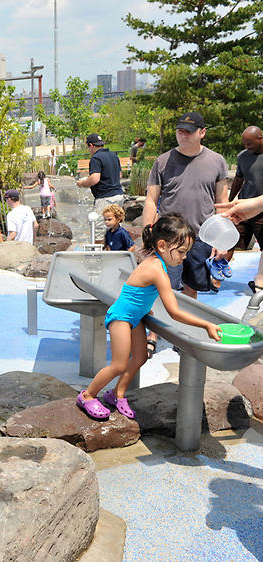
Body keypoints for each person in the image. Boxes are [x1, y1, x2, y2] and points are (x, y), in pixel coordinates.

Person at [76, 214, 220, 420]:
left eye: (186, 252)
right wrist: (206, 324)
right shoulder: (156, 269)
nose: (184, 257)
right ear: (162, 245)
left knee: (141, 357)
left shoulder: (157, 261)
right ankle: (87, 395)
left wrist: (144, 308)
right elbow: (174, 311)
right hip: (121, 317)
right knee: (119, 364)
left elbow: (141, 292)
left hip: (136, 316)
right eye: (181, 251)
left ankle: (117, 394)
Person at [140, 111, 228, 357]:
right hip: (170, 237)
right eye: (180, 130)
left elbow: (222, 202)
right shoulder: (163, 161)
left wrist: (223, 240)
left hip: (202, 236)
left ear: (202, 133)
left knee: (191, 287)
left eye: (189, 131)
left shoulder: (217, 161)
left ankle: (186, 334)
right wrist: (148, 231)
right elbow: (151, 198)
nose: (183, 135)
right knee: (161, 286)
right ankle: (154, 334)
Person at [226, 126, 263, 293]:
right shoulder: (242, 157)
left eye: (249, 143)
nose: (246, 147)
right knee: (228, 241)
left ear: (260, 138)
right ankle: (216, 277)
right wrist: (229, 201)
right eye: (244, 143)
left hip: (261, 210)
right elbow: (238, 179)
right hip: (243, 207)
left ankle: (260, 283)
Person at [76, 133, 124, 239]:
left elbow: (94, 179)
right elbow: (120, 175)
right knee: (115, 227)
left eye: (88, 147)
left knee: (98, 230)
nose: (88, 150)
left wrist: (82, 183)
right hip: (119, 196)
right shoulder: (113, 155)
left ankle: (99, 254)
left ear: (91, 145)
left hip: (105, 198)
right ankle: (115, 252)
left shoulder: (96, 158)